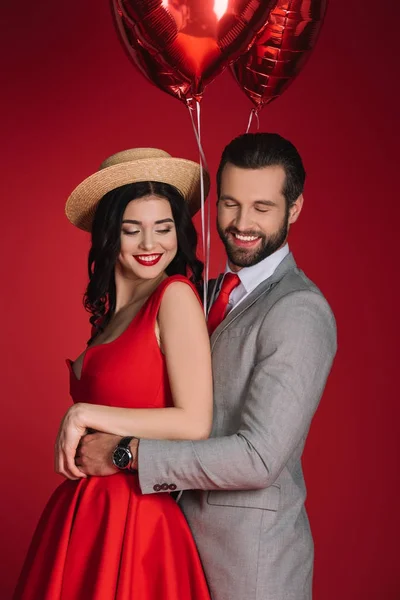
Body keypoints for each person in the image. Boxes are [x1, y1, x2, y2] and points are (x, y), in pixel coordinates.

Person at [75, 133, 338, 600]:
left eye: (262, 207)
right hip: (169, 549)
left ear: (294, 208)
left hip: (249, 568)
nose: (241, 223)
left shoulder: (298, 310)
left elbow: (258, 458)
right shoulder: (206, 292)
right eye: (231, 203)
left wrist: (126, 453)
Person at [13, 148, 213, 600]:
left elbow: (195, 421)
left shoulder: (174, 297)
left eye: (164, 228)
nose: (150, 244)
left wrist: (84, 413)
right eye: (132, 229)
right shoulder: (110, 317)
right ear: (108, 235)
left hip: (136, 521)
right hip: (82, 516)